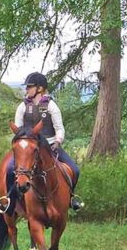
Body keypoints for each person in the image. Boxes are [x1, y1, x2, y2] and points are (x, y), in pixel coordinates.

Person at [10, 71, 83, 211]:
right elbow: (18, 130)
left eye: (29, 87)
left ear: (40, 88)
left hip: (50, 146)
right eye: (27, 87)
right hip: (27, 149)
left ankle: (71, 197)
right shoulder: (23, 106)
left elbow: (59, 128)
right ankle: (9, 200)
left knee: (75, 169)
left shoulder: (51, 106)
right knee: (8, 170)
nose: (26, 90)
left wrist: (58, 141)